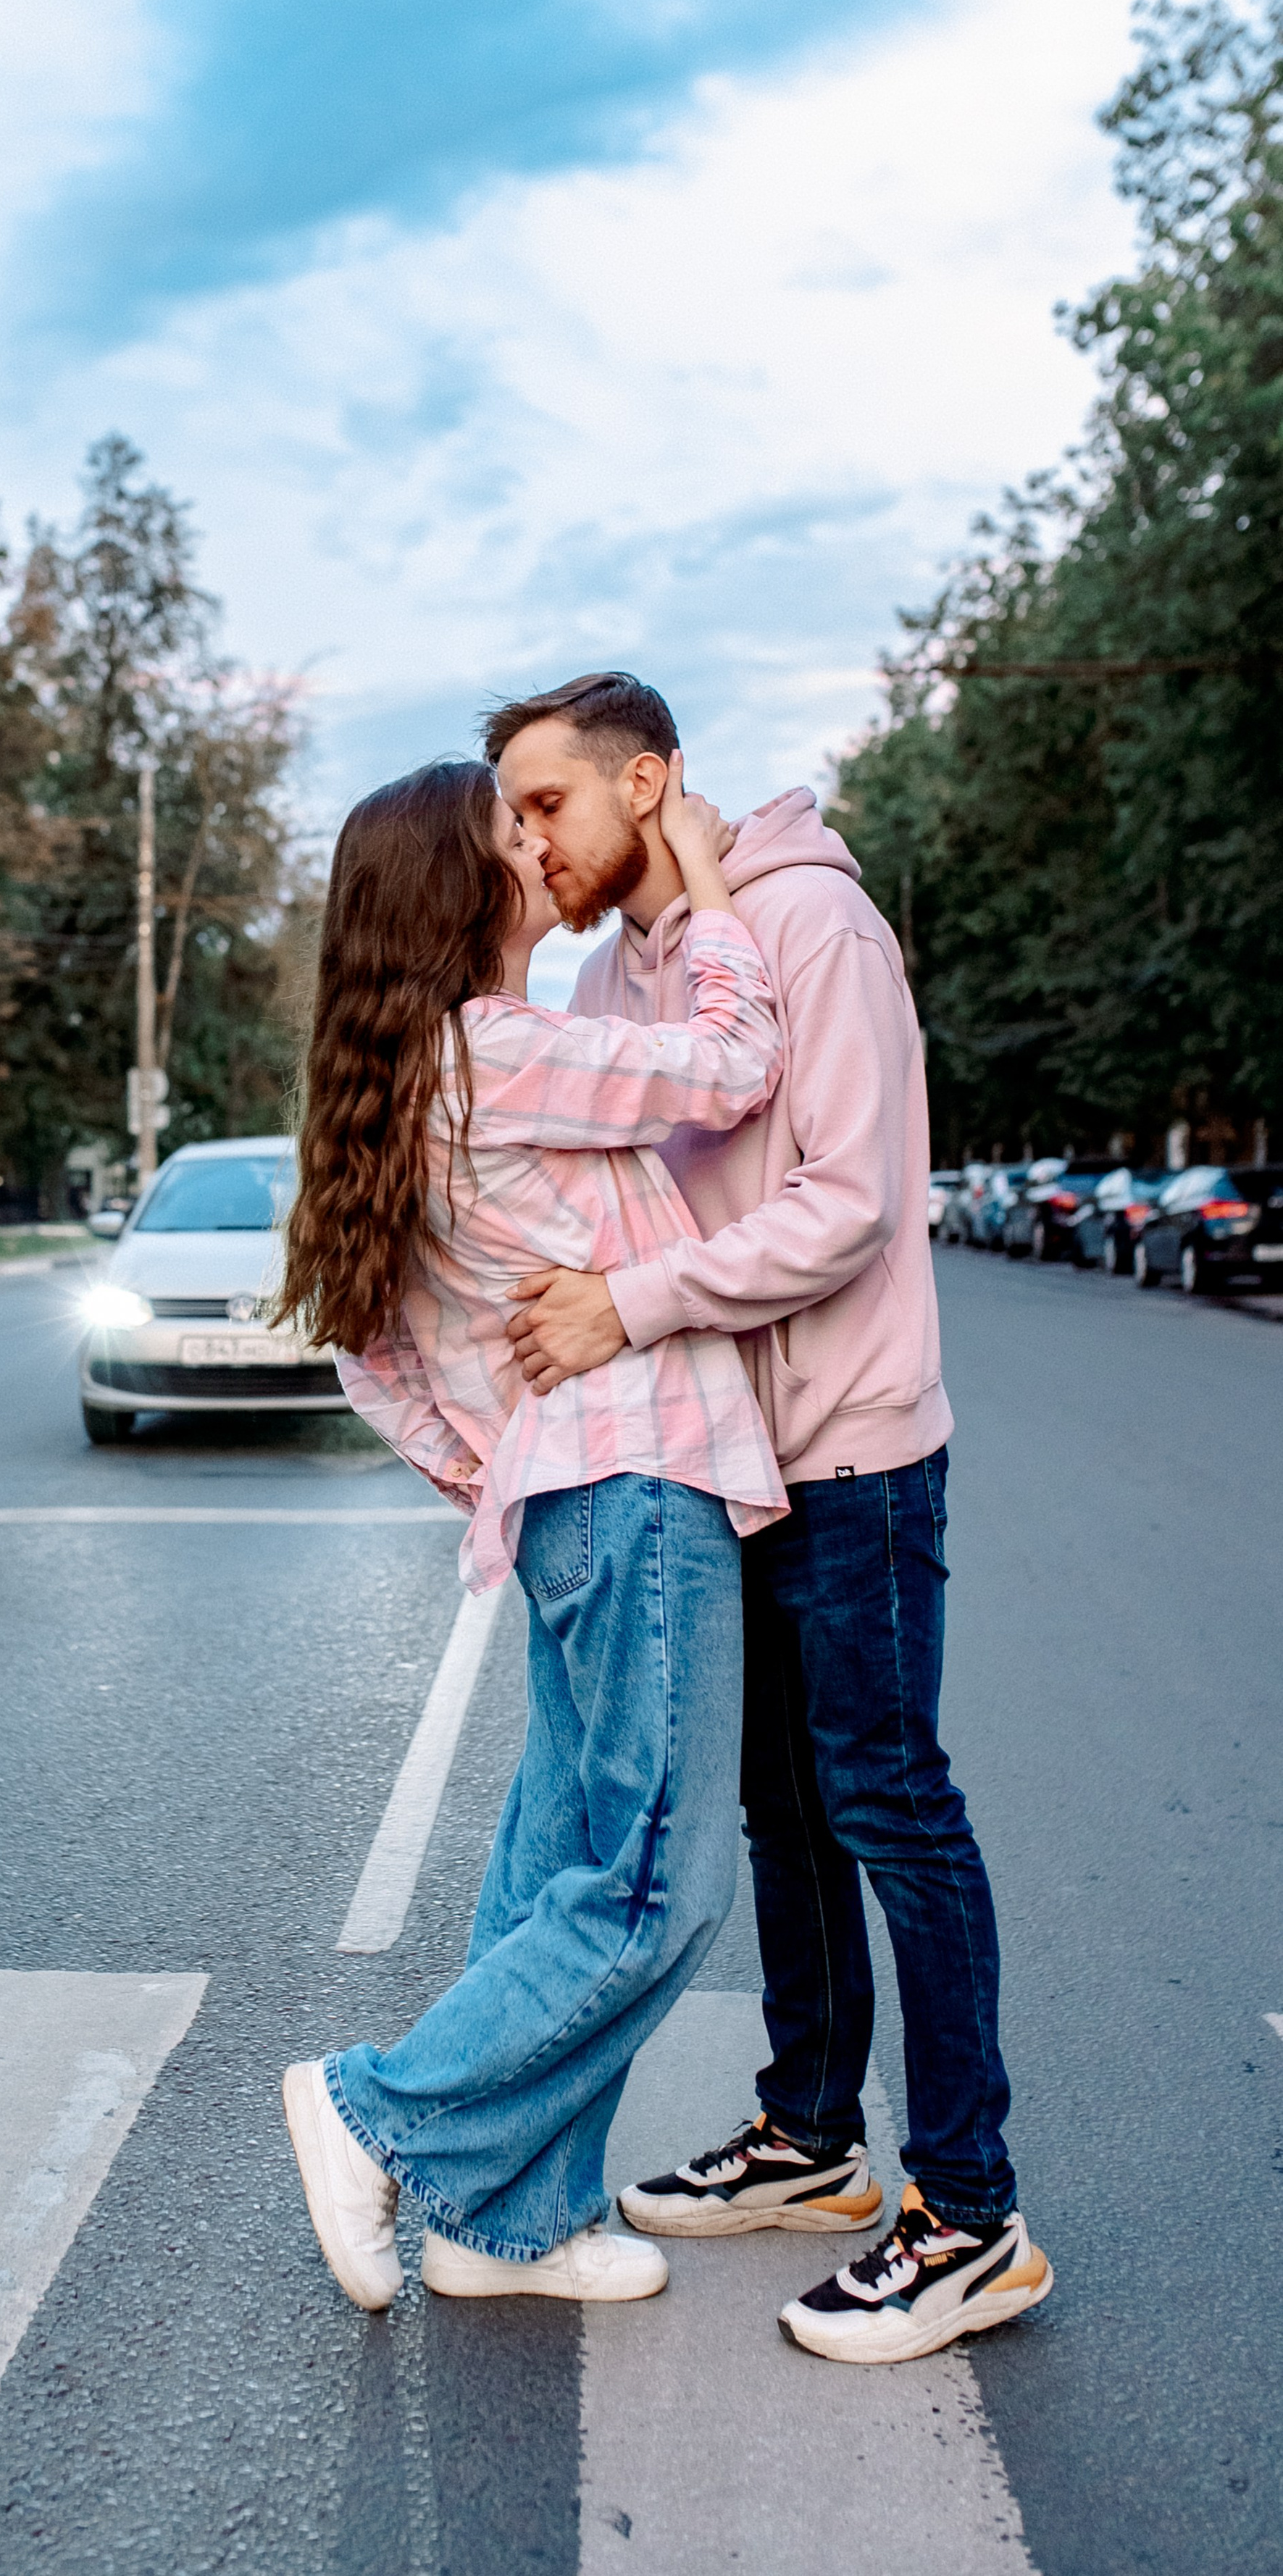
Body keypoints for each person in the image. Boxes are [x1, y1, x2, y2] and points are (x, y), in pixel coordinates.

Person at [493, 670, 1053, 2366]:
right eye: (509, 814)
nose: (526, 840)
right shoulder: (612, 967)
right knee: (780, 1809)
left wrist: (625, 1306)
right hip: (721, 1452)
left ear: (644, 780)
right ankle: (811, 2135)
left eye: (544, 804)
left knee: (888, 1800)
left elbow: (848, 1204)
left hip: (852, 1446)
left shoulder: (814, 923)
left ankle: (969, 2215)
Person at [275, 751, 787, 2310]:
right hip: (639, 1482)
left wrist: (490, 1462)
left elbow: (368, 1354)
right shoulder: (496, 1048)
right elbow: (729, 1063)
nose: (538, 847)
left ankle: (508, 2222)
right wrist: (710, 881)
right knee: (654, 1888)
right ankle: (380, 2115)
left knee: (563, 1860)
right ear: (465, 883)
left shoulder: (407, 1075)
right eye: (515, 829)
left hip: (572, 1499)